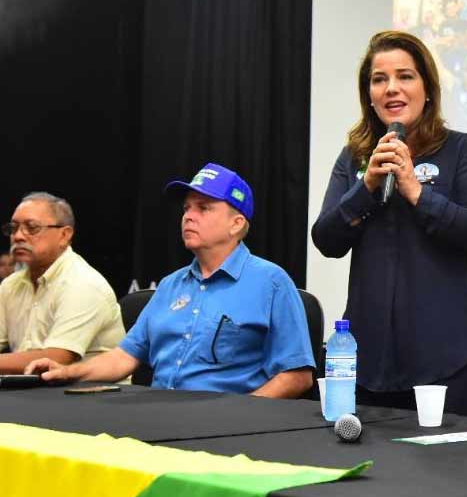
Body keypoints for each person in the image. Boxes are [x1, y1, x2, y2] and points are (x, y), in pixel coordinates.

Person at [311, 30, 467, 416]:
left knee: (446, 454)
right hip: (369, 358)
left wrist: (416, 191)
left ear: (427, 89)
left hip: (451, 354)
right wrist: (366, 187)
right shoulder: (354, 159)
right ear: (369, 95)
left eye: (405, 76)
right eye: (379, 79)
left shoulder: (463, 150)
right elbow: (326, 240)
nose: (391, 88)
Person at [28, 164, 315, 398]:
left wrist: (242, 414)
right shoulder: (169, 286)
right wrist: (66, 372)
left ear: (236, 223)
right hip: (158, 417)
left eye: (203, 208)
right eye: (186, 208)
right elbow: (123, 358)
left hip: (226, 425)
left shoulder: (271, 283)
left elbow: (296, 376)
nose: (188, 216)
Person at [0, 193, 124, 375]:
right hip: (32, 387)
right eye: (13, 228)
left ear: (64, 235)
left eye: (31, 228)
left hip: (89, 389)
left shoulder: (83, 283)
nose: (18, 236)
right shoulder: (12, 284)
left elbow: (56, 358)